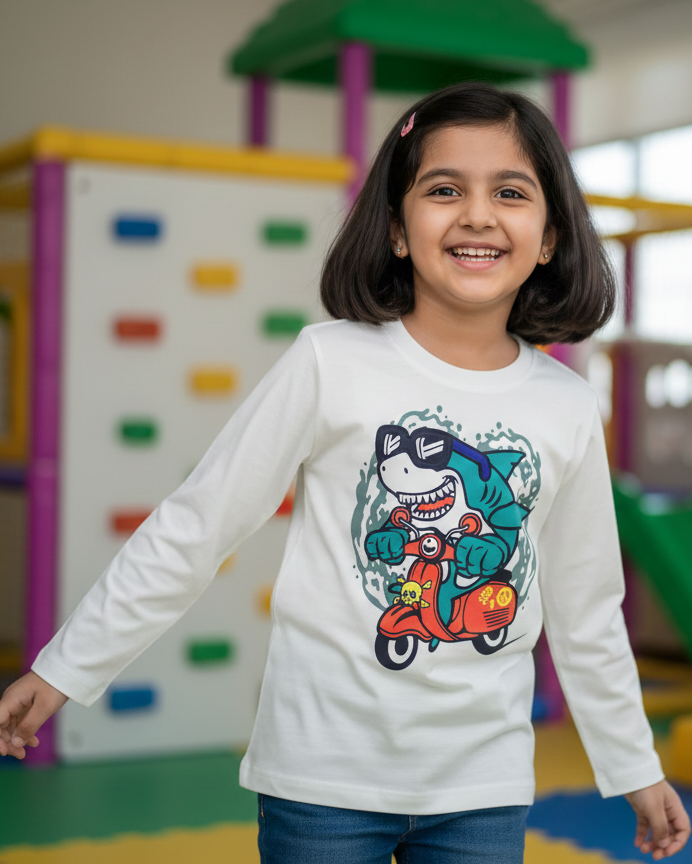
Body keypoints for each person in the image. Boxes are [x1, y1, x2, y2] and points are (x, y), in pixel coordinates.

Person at [0, 82, 689, 863]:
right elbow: (198, 526)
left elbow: (587, 608)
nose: (477, 214)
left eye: (509, 192)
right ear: (397, 229)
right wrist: (64, 669)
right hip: (319, 779)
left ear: (550, 237)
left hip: (481, 787)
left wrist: (633, 765)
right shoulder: (329, 360)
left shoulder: (564, 406)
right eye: (442, 189)